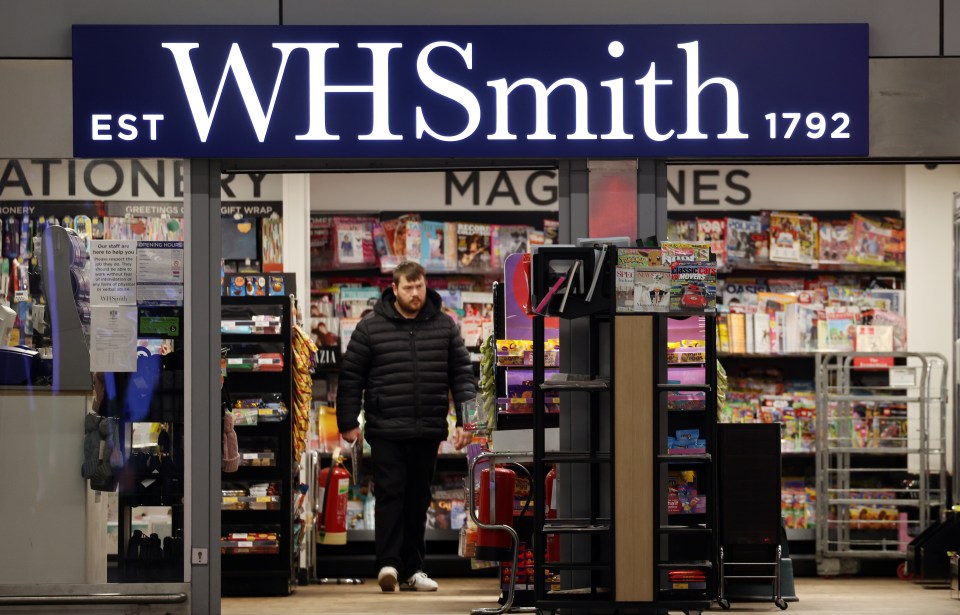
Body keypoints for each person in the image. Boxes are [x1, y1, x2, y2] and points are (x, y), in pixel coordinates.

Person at [336, 261, 475, 593]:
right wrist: (347, 422)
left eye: (420, 286)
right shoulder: (370, 328)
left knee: (418, 500)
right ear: (394, 289)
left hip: (427, 428)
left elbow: (462, 377)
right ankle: (388, 564)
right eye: (408, 287)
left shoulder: (445, 326)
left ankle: (413, 569)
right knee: (390, 495)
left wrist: (468, 421)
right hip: (385, 428)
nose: (415, 293)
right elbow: (351, 377)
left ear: (426, 286)